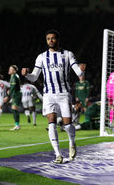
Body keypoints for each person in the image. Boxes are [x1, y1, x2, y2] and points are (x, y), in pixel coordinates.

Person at [21, 29, 86, 163]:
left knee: (67, 124)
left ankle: (72, 143)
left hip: (63, 94)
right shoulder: (41, 57)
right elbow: (34, 77)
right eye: (48, 38)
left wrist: (81, 69)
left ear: (58, 40)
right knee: (51, 123)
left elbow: (78, 72)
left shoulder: (67, 54)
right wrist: (26, 74)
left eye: (53, 38)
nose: (50, 40)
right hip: (49, 94)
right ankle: (58, 154)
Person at [4, 65, 22, 130]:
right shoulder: (13, 76)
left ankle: (17, 125)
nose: (9, 70)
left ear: (14, 71)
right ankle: (17, 125)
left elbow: (13, 87)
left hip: (17, 94)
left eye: (11, 69)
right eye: (9, 69)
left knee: (14, 109)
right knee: (14, 109)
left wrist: (7, 96)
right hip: (15, 94)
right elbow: (13, 86)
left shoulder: (14, 76)